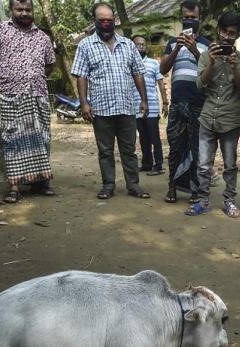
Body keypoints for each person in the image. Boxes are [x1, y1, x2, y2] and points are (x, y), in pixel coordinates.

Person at [71, 2, 150, 200]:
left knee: (129, 150)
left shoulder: (128, 44)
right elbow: (81, 76)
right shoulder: (85, 45)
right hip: (101, 109)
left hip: (126, 107)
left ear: (114, 21)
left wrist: (144, 100)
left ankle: (133, 185)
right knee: (105, 151)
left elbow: (138, 73)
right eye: (101, 21)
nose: (106, 24)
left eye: (109, 20)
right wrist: (84, 103)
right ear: (94, 21)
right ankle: (108, 185)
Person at [0, 0, 56, 204]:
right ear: (12, 10)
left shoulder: (42, 37)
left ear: (33, 11)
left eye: (27, 9)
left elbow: (50, 64)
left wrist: (36, 76)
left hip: (38, 95)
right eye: (19, 9)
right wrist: (5, 75)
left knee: (41, 137)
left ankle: (41, 183)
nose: (24, 13)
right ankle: (14, 187)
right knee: (12, 138)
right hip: (11, 95)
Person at [186, 12, 240, 218]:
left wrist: (234, 69)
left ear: (238, 35)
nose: (227, 37)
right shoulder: (206, 55)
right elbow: (200, 85)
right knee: (204, 164)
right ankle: (203, 200)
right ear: (219, 31)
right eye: (224, 31)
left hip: (230, 120)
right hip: (207, 117)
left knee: (230, 166)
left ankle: (230, 201)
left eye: (232, 34)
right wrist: (213, 63)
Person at [160, 0, 210, 204]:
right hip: (178, 103)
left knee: (197, 147)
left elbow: (209, 72)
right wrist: (177, 48)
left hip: (198, 103)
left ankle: (196, 190)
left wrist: (194, 51)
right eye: (186, 17)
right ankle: (172, 187)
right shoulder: (173, 42)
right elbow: (163, 69)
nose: (189, 20)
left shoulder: (207, 44)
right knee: (175, 145)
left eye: (193, 17)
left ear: (200, 19)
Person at [132, 35, 168, 176]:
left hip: (152, 108)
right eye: (138, 44)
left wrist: (165, 103)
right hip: (136, 108)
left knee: (154, 138)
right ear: (133, 46)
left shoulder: (153, 63)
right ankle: (147, 164)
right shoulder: (130, 64)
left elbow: (160, 83)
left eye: (143, 44)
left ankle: (158, 165)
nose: (141, 46)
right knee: (143, 138)